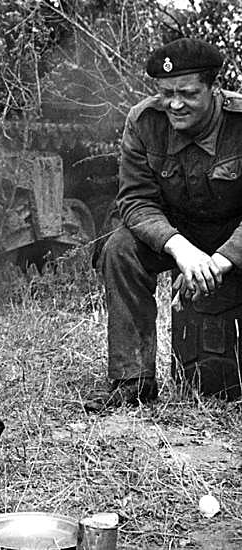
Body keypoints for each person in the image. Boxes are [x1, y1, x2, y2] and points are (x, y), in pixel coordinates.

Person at [88, 37, 242, 411]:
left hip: (235, 233)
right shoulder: (144, 122)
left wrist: (222, 259)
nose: (174, 103)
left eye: (188, 93)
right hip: (176, 233)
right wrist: (180, 249)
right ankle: (133, 380)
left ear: (214, 88)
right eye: (166, 92)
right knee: (120, 249)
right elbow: (135, 201)